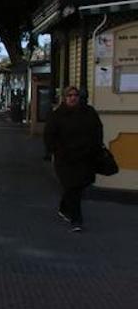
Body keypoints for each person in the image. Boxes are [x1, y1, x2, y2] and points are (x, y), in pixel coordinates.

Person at [43, 86, 103, 232]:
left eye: (75, 95)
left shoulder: (89, 112)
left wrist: (95, 147)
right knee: (71, 186)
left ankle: (64, 207)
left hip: (85, 156)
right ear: (64, 98)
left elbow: (98, 130)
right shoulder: (57, 115)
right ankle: (76, 220)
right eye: (69, 95)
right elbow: (49, 134)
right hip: (65, 158)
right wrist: (53, 150)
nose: (72, 98)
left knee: (78, 185)